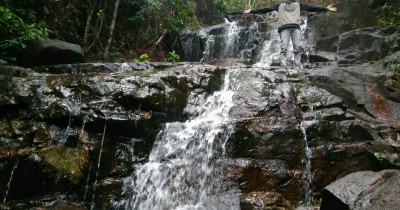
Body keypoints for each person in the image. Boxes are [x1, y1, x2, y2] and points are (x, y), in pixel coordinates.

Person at [244, 0, 337, 69]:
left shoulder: (298, 4)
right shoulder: (279, 6)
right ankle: (283, 65)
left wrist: (326, 9)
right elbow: (265, 10)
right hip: (284, 28)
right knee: (284, 46)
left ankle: (297, 64)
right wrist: (252, 11)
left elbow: (311, 8)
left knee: (297, 46)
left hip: (296, 27)